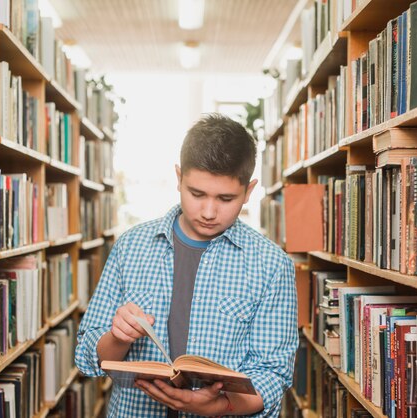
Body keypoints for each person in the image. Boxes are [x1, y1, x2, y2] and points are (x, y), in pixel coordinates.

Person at [75, 113, 298, 417]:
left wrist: (219, 406)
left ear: (249, 191)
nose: (208, 211)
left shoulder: (272, 265)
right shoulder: (131, 246)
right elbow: (87, 355)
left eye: (225, 198)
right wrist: (117, 337)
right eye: (197, 194)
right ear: (179, 178)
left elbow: (273, 375)